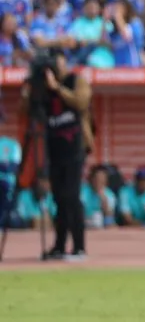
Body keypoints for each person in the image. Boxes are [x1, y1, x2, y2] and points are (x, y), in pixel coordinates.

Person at [24, 50, 93, 260]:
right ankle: (60, 245)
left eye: (58, 61)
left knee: (71, 197)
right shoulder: (43, 87)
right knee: (58, 198)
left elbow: (81, 102)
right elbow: (29, 112)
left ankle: (79, 247)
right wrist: (31, 91)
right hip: (54, 149)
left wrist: (58, 88)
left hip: (74, 147)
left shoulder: (76, 81)